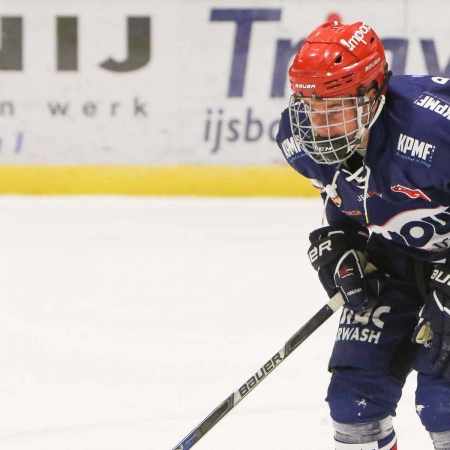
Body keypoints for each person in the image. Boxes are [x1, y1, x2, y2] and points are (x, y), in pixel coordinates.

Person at [276, 21, 450, 450]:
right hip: (395, 258)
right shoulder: (298, 139)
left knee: (445, 406)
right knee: (355, 402)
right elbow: (351, 197)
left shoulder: (435, 131)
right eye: (310, 106)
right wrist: (338, 241)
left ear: (374, 95)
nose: (319, 124)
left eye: (335, 109)